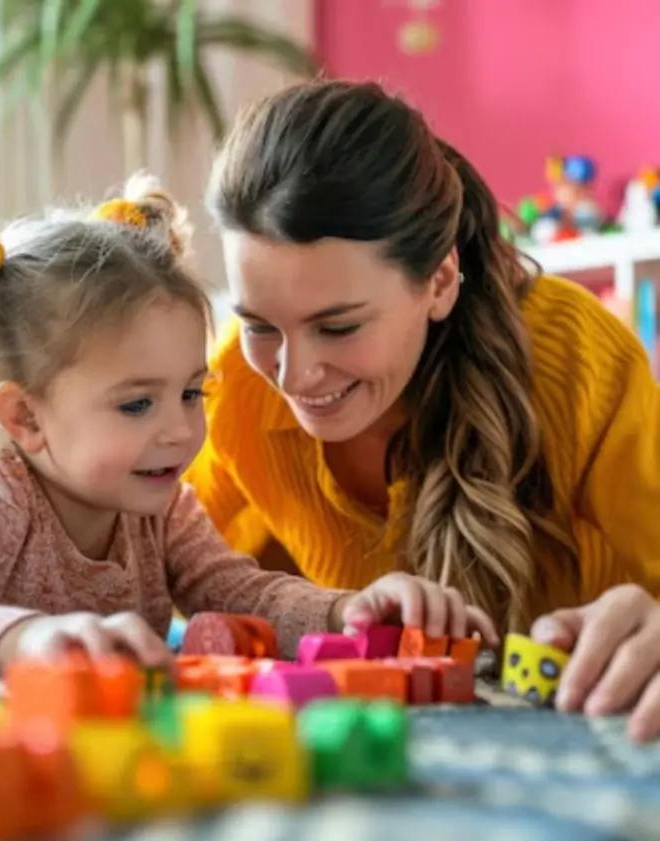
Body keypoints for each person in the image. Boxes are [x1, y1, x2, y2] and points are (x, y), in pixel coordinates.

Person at [0, 174, 492, 688]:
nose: (180, 430)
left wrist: (351, 611)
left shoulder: (161, 505)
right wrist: (29, 639)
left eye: (192, 392)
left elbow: (240, 592)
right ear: (26, 418)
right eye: (137, 404)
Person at [186, 79, 660, 740]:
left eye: (339, 326)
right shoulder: (236, 380)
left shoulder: (581, 359)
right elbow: (157, 560)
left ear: (438, 281)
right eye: (262, 324)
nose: (293, 376)